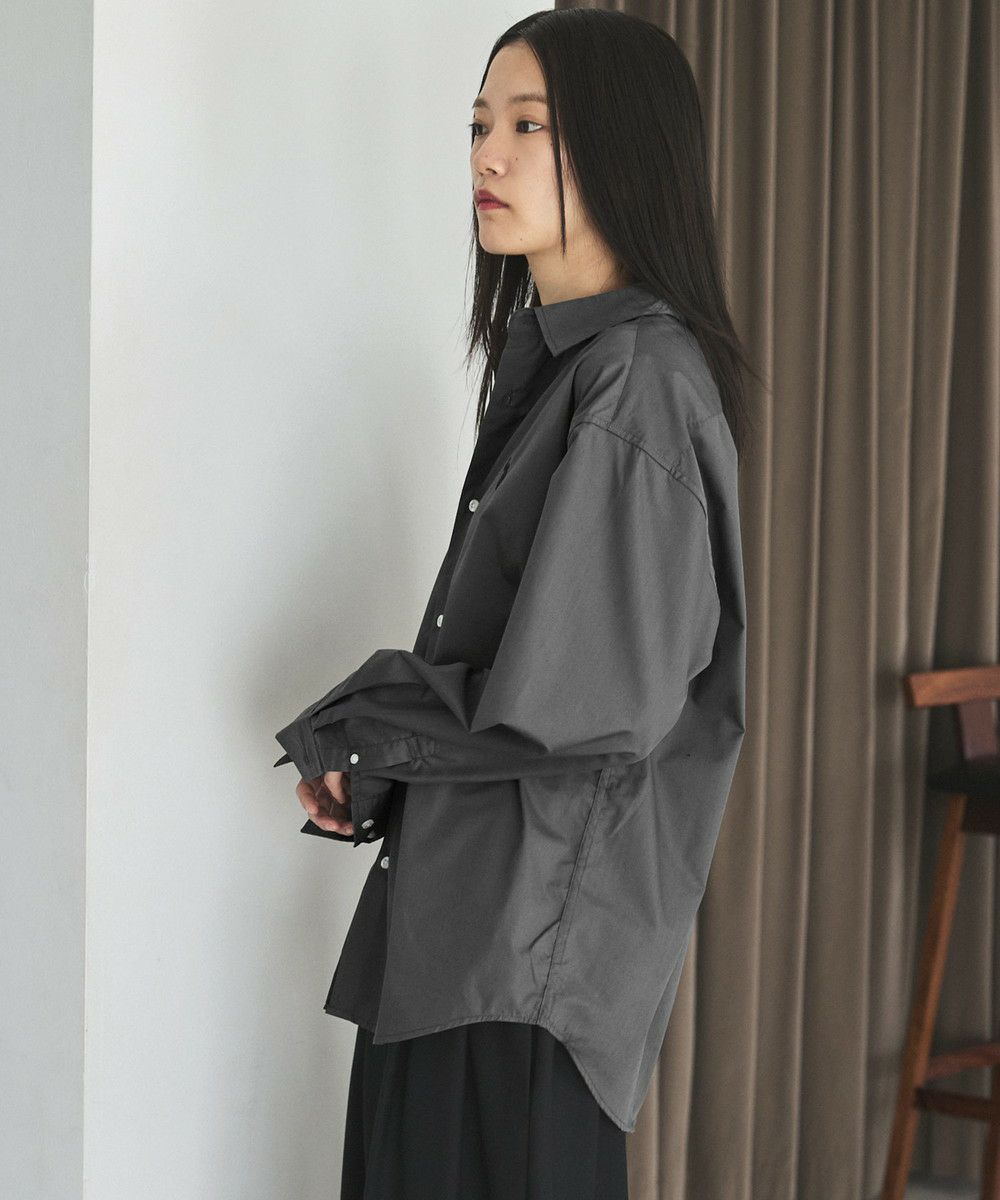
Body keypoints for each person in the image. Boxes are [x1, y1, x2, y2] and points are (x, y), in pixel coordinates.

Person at [272, 9, 758, 1198]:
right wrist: (382, 768)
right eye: (479, 125)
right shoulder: (566, 371)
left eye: (529, 126)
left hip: (524, 964)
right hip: (463, 938)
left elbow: (591, 703)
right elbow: (542, 680)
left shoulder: (638, 385)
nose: (486, 156)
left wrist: (367, 726)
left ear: (624, 149)